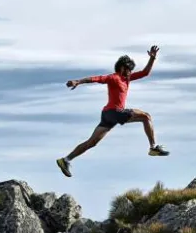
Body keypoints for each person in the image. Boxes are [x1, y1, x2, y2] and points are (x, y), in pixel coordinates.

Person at [56, 45, 168, 177]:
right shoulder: (114, 77)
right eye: (128, 70)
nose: (130, 72)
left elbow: (145, 73)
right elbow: (96, 78)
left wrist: (152, 59)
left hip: (108, 115)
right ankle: (153, 147)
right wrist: (78, 81)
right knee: (146, 116)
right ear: (122, 68)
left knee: (92, 142)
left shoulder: (127, 79)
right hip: (115, 112)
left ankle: (66, 160)